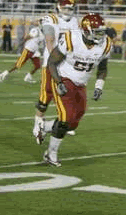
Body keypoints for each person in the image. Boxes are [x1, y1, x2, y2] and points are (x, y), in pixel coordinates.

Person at [39, 13, 112, 167]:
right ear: (86, 30)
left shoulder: (105, 44)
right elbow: (52, 62)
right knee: (65, 118)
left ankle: (44, 127)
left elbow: (103, 68)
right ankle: (50, 154)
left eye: (101, 31)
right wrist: (58, 82)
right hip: (64, 78)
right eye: (97, 31)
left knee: (73, 123)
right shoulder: (71, 39)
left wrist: (99, 85)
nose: (101, 35)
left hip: (81, 84)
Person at [33, 0, 80, 144]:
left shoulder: (74, 21)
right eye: (66, 8)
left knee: (69, 95)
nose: (68, 10)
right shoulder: (51, 18)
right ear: (59, 7)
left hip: (68, 66)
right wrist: (56, 57)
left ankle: (65, 122)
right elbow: (50, 40)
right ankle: (37, 126)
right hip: (51, 63)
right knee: (45, 98)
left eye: (70, 8)